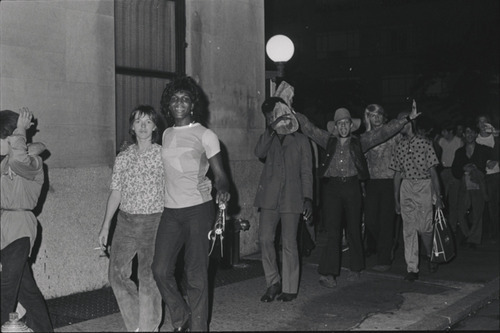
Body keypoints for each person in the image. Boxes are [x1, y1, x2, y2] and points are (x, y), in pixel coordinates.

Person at [294, 102, 419, 288]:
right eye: (340, 123)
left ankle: (356, 268)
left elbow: (383, 133)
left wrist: (406, 119)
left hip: (352, 187)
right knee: (333, 231)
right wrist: (292, 112)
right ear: (335, 127)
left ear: (351, 126)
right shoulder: (327, 140)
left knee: (353, 228)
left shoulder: (360, 142)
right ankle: (329, 274)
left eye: (346, 123)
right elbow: (309, 128)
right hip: (332, 189)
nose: (343, 126)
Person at [152, 76, 231, 332]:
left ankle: (198, 329)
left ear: (192, 104)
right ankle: (182, 316)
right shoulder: (165, 134)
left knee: (196, 275)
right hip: (171, 212)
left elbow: (221, 177)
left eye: (185, 99)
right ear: (168, 103)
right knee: (160, 269)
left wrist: (222, 191)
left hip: (198, 210)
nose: (179, 103)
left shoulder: (206, 135)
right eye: (174, 99)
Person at [98, 105, 164, 332]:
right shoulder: (124, 157)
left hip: (154, 221)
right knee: (116, 273)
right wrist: (106, 225)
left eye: (148, 122)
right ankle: (138, 324)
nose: (143, 126)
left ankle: (148, 328)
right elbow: (116, 191)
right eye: (138, 122)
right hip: (126, 221)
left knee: (148, 277)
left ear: (155, 126)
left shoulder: (162, 154)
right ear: (132, 127)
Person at [254, 84, 313, 303]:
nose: (272, 119)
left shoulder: (301, 140)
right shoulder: (268, 138)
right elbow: (258, 152)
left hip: (292, 198)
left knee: (289, 242)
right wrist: (269, 130)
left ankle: (290, 287)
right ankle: (273, 283)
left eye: (274, 115)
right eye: (269, 117)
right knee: (265, 239)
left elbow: (307, 171)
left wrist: (308, 198)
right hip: (269, 198)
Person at [1, 108, 53, 332]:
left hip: (20, 228)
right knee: (27, 291)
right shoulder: (4, 163)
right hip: (4, 228)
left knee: (6, 287)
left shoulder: (34, 164)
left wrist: (21, 129)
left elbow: (20, 159)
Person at [390, 111, 443, 282]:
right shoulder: (399, 146)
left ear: (411, 124)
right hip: (407, 186)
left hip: (424, 186)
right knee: (409, 230)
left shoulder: (425, 144)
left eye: (403, 123)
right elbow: (397, 174)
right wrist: (396, 199)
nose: (401, 126)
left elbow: (433, 172)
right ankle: (412, 268)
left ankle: (430, 254)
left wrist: (439, 196)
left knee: (425, 228)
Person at [362, 104, 401, 272]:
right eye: (372, 115)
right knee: (370, 220)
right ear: (367, 118)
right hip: (371, 181)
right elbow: (362, 161)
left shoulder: (393, 134)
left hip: (389, 180)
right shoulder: (365, 137)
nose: (376, 117)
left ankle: (384, 258)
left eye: (378, 114)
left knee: (386, 220)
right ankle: (387, 244)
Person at [452, 123, 493, 249]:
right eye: (467, 132)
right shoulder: (459, 152)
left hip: (478, 184)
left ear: (476, 134)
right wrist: (463, 168)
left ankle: (473, 239)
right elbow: (455, 170)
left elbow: (494, 155)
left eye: (472, 132)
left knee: (477, 212)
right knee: (460, 212)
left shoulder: (483, 149)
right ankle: (467, 234)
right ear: (463, 135)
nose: (469, 135)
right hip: (464, 184)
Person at [475, 115, 499, 242]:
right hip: (484, 176)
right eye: (480, 122)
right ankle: (486, 231)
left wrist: (497, 161)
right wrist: (484, 163)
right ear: (477, 125)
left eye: (485, 122)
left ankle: (495, 231)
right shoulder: (477, 139)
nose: (483, 124)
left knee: (495, 205)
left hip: (497, 174)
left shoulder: (495, 137)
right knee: (486, 205)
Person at [437, 122, 464, 233]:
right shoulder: (441, 141)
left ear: (451, 131)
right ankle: (440, 224)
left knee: (454, 201)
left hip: (454, 171)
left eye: (445, 131)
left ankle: (452, 227)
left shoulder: (459, 141)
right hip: (444, 171)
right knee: (442, 199)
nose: (443, 133)